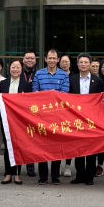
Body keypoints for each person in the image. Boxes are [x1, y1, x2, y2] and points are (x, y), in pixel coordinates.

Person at [32, 48, 70, 185]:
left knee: (56, 146)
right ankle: (42, 176)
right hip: (42, 115)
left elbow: (64, 93)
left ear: (58, 60)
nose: (52, 60)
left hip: (58, 115)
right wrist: (51, 94)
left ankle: (55, 176)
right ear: (45, 59)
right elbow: (35, 92)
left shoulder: (64, 75)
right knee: (42, 145)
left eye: (54, 58)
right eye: (50, 58)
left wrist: (50, 94)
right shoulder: (39, 74)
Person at [68, 53, 104, 186]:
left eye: (86, 62)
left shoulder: (97, 81)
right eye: (81, 62)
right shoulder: (72, 79)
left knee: (91, 148)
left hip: (91, 119)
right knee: (78, 148)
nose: (83, 64)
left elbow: (101, 101)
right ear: (77, 65)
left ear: (90, 64)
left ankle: (90, 176)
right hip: (76, 118)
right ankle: (79, 175)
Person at [0, 59, 32, 185]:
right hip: (5, 119)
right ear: (9, 68)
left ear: (21, 69)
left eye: (17, 67)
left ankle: (17, 174)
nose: (15, 69)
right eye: (13, 67)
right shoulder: (3, 83)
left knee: (18, 146)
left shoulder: (26, 85)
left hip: (19, 120)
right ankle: (8, 174)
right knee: (7, 146)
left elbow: (29, 103)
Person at [21, 50, 38, 178]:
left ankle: (30, 166)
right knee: (20, 138)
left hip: (34, 111)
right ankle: (16, 167)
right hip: (19, 111)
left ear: (35, 60)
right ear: (23, 59)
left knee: (32, 139)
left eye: (32, 58)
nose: (30, 60)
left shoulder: (39, 74)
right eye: (27, 58)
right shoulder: (17, 72)